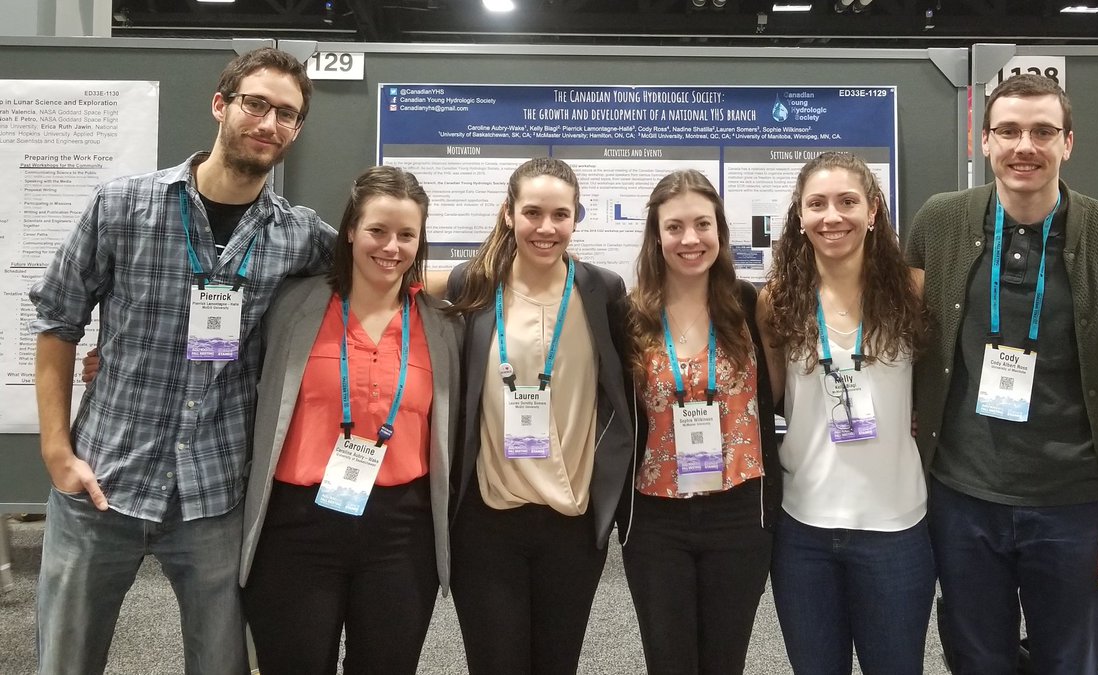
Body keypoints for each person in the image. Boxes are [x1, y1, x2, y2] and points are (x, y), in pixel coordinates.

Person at [28, 47, 334, 674]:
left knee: (222, 664)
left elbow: (385, 269)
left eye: (286, 114)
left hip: (215, 494)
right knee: (66, 660)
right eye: (255, 104)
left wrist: (502, 274)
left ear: (296, 130)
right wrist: (57, 453)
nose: (268, 123)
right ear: (221, 105)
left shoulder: (300, 235)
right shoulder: (122, 206)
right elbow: (58, 323)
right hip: (103, 483)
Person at [906, 73, 1098, 673]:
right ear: (985, 140)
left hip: (1073, 503)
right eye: (1009, 130)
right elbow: (909, 345)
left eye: (1043, 131)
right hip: (963, 496)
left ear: (1067, 142)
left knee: (1070, 661)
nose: (1025, 145)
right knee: (975, 659)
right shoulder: (939, 222)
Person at [238, 166, 461, 674]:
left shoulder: (443, 325)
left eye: (407, 234)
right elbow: (224, 366)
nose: (391, 247)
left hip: (401, 533)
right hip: (298, 527)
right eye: (378, 230)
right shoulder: (292, 306)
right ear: (351, 232)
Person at [444, 157, 634, 674]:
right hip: (486, 520)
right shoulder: (473, 284)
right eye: (532, 212)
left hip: (572, 522)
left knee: (558, 662)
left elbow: (621, 395)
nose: (546, 228)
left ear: (577, 218)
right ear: (508, 214)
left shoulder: (603, 291)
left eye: (560, 215)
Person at [758, 152, 934, 674]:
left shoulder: (913, 290)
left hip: (895, 527)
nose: (832, 216)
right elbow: (771, 399)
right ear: (800, 215)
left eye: (847, 202)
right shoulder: (777, 302)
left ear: (873, 210)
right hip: (803, 528)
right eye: (817, 204)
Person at [618, 169, 781, 675]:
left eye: (702, 225)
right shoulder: (628, 315)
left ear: (720, 232)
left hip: (739, 512)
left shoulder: (752, 306)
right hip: (654, 519)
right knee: (668, 660)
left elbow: (781, 395)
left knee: (724, 659)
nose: (690, 239)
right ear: (656, 235)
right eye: (675, 227)